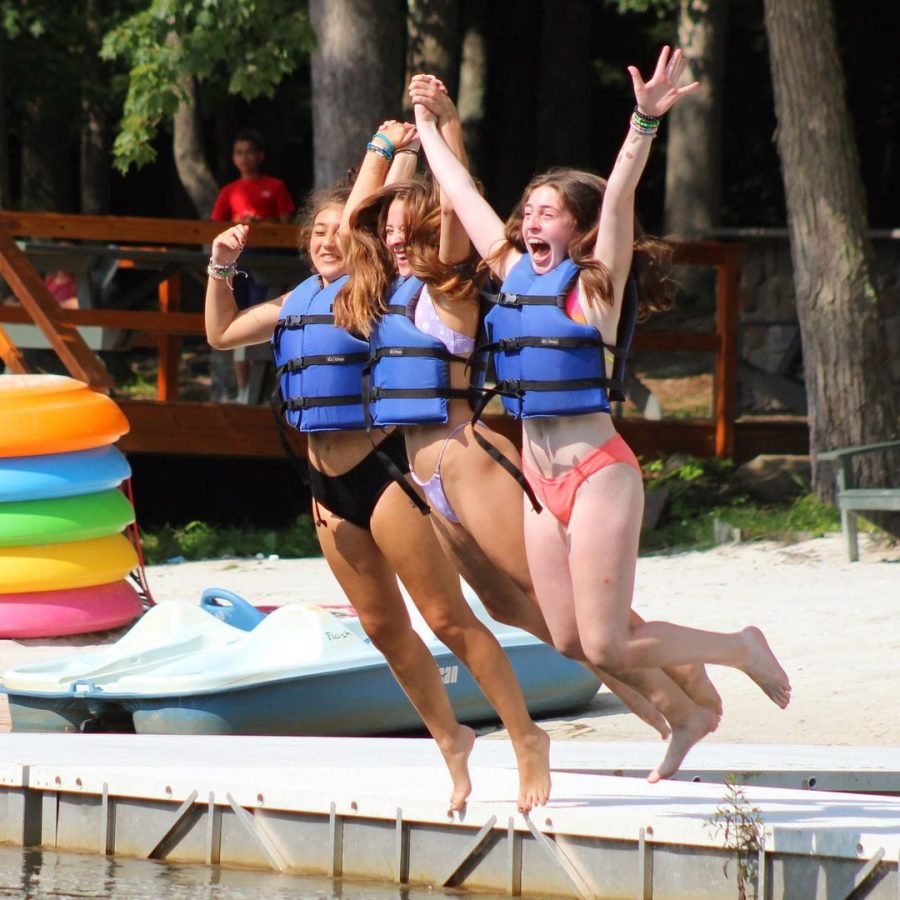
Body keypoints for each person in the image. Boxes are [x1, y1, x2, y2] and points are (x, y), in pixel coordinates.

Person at [410, 46, 791, 780]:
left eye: (549, 211)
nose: (531, 220)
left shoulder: (596, 288)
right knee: (570, 636)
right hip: (538, 483)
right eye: (528, 211)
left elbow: (617, 199)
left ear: (579, 233)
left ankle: (740, 646)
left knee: (610, 642)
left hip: (595, 473)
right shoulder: (513, 271)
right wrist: (430, 123)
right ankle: (686, 718)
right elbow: (458, 190)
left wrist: (644, 122)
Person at [204, 121, 550, 814]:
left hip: (382, 471)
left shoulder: (367, 290)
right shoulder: (291, 303)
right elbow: (217, 334)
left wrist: (393, 152)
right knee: (381, 627)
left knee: (447, 619)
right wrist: (219, 266)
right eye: (316, 231)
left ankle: (525, 737)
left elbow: (370, 219)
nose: (327, 238)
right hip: (324, 486)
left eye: (339, 229)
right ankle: (451, 738)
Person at [210, 128, 296, 401]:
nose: (244, 158)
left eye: (249, 152)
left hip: (269, 262)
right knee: (232, 314)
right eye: (239, 153)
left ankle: (265, 386)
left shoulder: (276, 186)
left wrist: (261, 226)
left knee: (260, 316)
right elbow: (215, 227)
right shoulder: (229, 191)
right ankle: (242, 389)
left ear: (260, 156)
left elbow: (287, 226)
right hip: (238, 262)